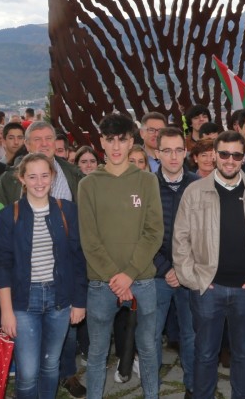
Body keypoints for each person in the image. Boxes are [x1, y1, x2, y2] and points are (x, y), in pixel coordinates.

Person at [173, 130, 245, 399]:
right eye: (224, 154)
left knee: (242, 353)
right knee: (205, 353)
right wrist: (193, 280)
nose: (230, 160)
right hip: (207, 288)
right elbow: (180, 238)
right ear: (215, 156)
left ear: (244, 159)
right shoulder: (194, 191)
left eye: (236, 155)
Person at [78, 113, 163, 399]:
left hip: (142, 280)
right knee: (97, 353)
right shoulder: (88, 184)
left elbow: (153, 232)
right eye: (110, 140)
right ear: (101, 141)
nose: (116, 146)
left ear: (132, 142)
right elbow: (89, 240)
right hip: (102, 284)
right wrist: (116, 278)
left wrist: (128, 275)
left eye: (122, 140)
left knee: (149, 349)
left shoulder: (147, 181)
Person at [0, 153, 88, 399]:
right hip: (24, 301)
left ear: (53, 177)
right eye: (32, 176)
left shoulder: (67, 210)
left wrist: (79, 302)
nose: (39, 182)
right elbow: (1, 265)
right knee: (27, 371)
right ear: (22, 179)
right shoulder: (8, 215)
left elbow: (78, 259)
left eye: (44, 175)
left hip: (60, 298)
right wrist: (7, 311)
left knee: (50, 365)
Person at [151, 128, 196, 399]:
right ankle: (151, 388)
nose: (173, 156)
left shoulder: (198, 184)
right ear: (157, 154)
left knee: (191, 335)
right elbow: (141, 233)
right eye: (166, 150)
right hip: (156, 274)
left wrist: (182, 269)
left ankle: (193, 387)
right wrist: (166, 268)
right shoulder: (147, 186)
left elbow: (204, 233)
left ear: (185, 152)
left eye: (178, 150)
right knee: (152, 335)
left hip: (189, 274)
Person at [0, 122, 83, 205]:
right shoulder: (9, 179)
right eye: (37, 139)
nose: (44, 144)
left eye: (48, 138)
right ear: (27, 144)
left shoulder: (74, 174)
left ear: (55, 142)